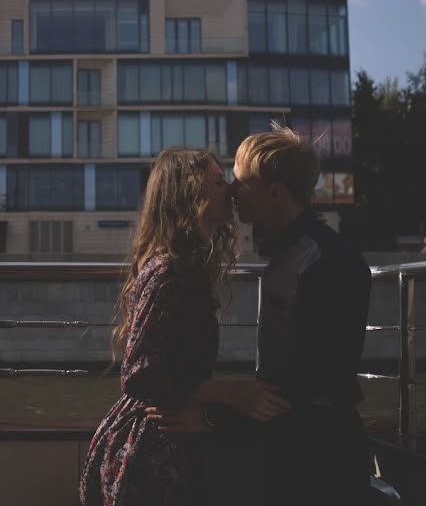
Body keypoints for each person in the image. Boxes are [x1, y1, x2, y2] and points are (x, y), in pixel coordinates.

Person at [161, 124, 371, 505]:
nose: (231, 190)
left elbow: (311, 381)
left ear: (275, 193)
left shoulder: (326, 262)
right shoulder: (291, 253)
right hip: (296, 442)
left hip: (320, 455)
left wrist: (215, 418)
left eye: (241, 182)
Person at [80, 147, 290, 506]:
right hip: (149, 456)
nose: (229, 189)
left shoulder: (183, 267)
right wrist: (234, 393)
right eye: (217, 179)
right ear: (189, 192)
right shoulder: (170, 272)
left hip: (164, 441)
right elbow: (140, 376)